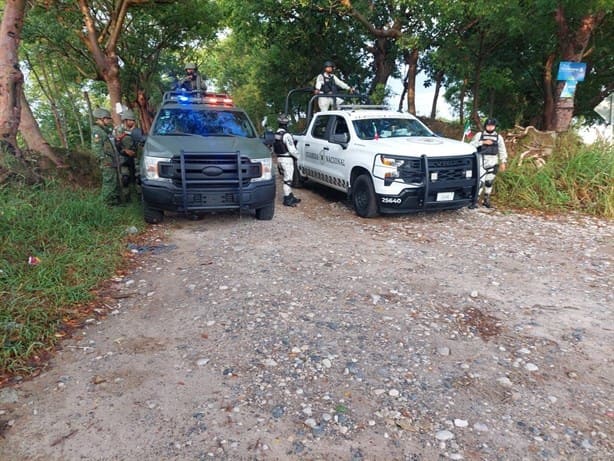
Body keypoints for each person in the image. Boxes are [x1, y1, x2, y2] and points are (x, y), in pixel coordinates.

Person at [470, 118, 507, 208]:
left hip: (493, 160)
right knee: (480, 181)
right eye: (488, 125)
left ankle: (486, 200)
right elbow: (471, 145)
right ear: (485, 126)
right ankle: (475, 200)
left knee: (489, 181)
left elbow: (502, 150)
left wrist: (503, 162)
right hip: (481, 159)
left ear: (494, 126)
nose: (490, 127)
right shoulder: (480, 135)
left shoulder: (498, 137)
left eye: (492, 126)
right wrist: (482, 142)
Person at [91, 107, 122, 206]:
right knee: (109, 182)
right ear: (101, 118)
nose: (109, 121)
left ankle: (113, 202)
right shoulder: (97, 131)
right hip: (106, 161)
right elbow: (97, 148)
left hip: (110, 160)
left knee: (113, 181)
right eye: (107, 119)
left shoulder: (103, 130)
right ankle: (104, 203)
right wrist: (103, 160)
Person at [273, 114, 301, 207]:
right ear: (286, 124)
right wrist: (298, 157)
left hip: (279, 158)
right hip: (287, 159)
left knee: (286, 178)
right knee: (288, 180)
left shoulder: (276, 134)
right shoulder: (286, 135)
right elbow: (292, 149)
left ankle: (290, 195)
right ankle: (287, 199)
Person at [115, 109, 139, 200]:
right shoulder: (119, 129)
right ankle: (127, 197)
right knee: (125, 178)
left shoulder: (136, 130)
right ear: (125, 120)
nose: (132, 122)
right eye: (130, 120)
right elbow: (116, 144)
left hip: (135, 156)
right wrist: (125, 150)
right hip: (123, 157)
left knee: (138, 177)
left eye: (133, 120)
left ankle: (140, 196)